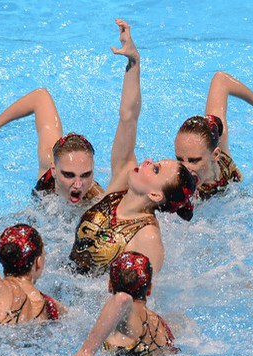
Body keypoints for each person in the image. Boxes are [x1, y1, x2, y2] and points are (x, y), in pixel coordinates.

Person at [69, 19, 196, 276]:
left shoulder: (148, 238)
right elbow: (128, 117)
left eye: (156, 169)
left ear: (156, 195)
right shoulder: (119, 186)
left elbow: (140, 294)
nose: (148, 161)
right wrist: (134, 62)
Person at [0, 87, 103, 204]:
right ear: (54, 170)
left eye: (86, 175)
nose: (78, 184)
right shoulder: (48, 161)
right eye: (68, 175)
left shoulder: (98, 201)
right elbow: (40, 97)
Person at [175, 71, 253, 200]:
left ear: (216, 154)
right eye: (179, 159)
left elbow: (221, 79)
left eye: (194, 160)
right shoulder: (178, 191)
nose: (185, 169)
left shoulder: (219, 141)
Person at [63, 251, 176, 356]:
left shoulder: (131, 319)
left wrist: (86, 351)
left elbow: (122, 299)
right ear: (150, 289)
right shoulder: (159, 322)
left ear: (110, 286)